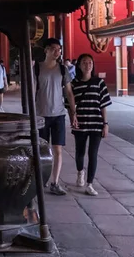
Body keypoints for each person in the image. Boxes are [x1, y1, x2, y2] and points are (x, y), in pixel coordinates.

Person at [34, 38, 77, 196]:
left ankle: (55, 182)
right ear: (46, 50)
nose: (57, 52)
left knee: (58, 149)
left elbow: (69, 92)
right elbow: (32, 91)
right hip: (41, 114)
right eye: (54, 49)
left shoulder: (63, 69)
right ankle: (41, 179)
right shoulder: (37, 69)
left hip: (58, 113)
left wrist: (73, 113)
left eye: (59, 49)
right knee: (42, 150)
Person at [70, 54, 112, 196]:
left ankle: (90, 184)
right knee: (80, 152)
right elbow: (69, 105)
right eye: (84, 63)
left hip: (96, 123)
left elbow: (103, 105)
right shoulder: (74, 83)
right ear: (79, 65)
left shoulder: (99, 83)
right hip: (81, 123)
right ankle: (80, 172)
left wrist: (105, 123)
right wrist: (73, 118)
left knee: (93, 154)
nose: (88, 65)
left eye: (90, 62)